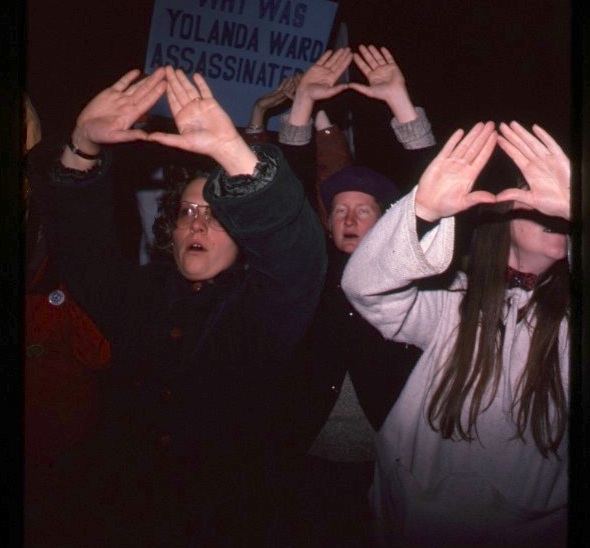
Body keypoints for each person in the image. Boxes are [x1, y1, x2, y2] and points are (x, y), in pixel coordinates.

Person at [26, 66, 326, 547]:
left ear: (244, 235)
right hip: (120, 516)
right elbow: (81, 250)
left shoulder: (262, 309)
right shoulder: (139, 293)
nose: (198, 225)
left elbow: (298, 259)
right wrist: (82, 145)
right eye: (188, 212)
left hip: (225, 523)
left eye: (216, 215)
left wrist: (231, 152)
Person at [341, 121, 570, 546]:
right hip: (419, 520)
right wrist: (422, 211)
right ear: (503, 217)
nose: (549, 208)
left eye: (554, 198)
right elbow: (365, 288)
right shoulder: (453, 299)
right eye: (533, 194)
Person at [274, 46, 436, 547]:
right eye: (339, 210)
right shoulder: (310, 268)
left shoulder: (403, 271)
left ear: (386, 219)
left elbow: (431, 186)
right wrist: (303, 102)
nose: (347, 219)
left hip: (388, 460)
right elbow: (284, 190)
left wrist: (400, 102)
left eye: (363, 210)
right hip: (305, 453)